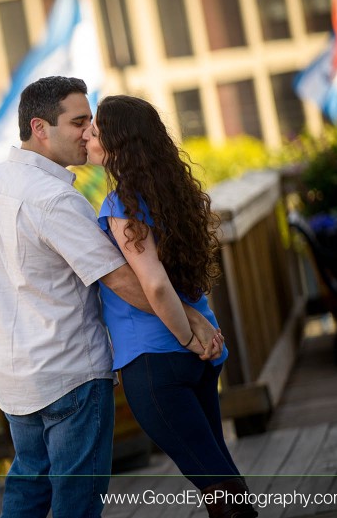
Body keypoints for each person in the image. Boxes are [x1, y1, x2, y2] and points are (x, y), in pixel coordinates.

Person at [0, 76, 221, 518]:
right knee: (78, 503)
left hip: (15, 377)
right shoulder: (55, 199)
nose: (87, 133)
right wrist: (192, 321)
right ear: (40, 127)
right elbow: (123, 280)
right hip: (72, 374)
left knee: (28, 488)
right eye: (78, 122)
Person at [82, 94, 257, 518]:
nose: (88, 133)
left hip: (157, 360)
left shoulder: (122, 205)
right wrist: (195, 340)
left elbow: (155, 285)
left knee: (216, 481)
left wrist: (186, 337)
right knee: (218, 473)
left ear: (117, 143)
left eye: (96, 128)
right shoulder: (176, 196)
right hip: (199, 356)